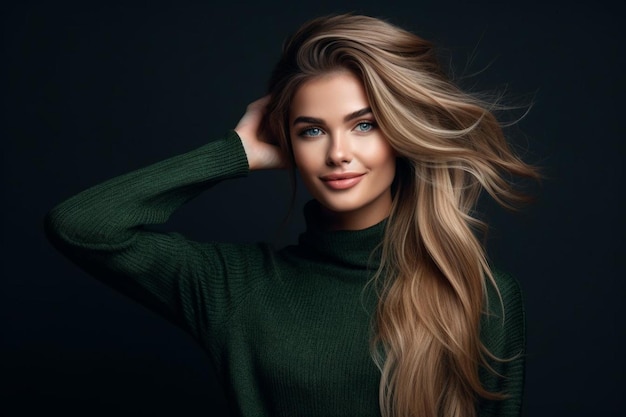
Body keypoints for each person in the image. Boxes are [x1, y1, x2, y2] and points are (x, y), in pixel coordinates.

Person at [45, 13, 539, 417]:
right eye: (311, 131)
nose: (338, 153)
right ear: (285, 143)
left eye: (364, 125)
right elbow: (82, 225)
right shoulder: (236, 288)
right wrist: (235, 151)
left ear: (402, 133)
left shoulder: (476, 294)